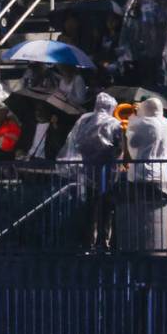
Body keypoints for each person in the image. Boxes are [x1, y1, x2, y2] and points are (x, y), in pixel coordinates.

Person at [56, 92, 124, 248]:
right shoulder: (114, 123)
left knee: (90, 207)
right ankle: (103, 242)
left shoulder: (84, 120)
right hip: (108, 171)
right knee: (106, 208)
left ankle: (88, 242)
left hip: (88, 170)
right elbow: (119, 148)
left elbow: (77, 142)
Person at [124, 97, 167, 196]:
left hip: (144, 173)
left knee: (142, 206)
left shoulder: (144, 123)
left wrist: (133, 120)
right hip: (162, 172)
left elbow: (133, 143)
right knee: (157, 205)